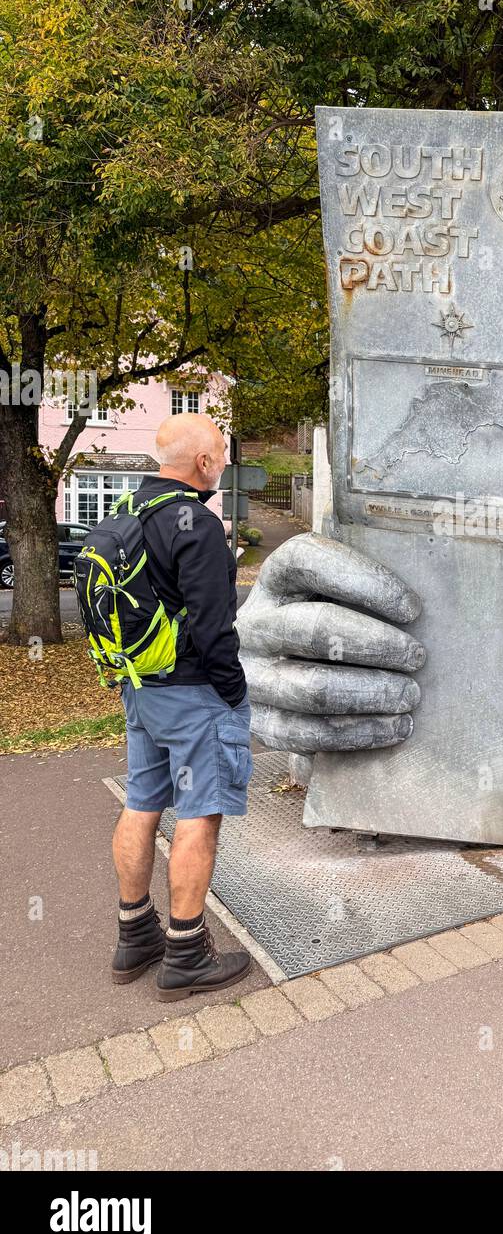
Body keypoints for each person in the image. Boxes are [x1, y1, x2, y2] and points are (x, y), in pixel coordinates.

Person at [110, 412, 254, 1002]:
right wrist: (234, 693)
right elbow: (215, 626)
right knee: (200, 812)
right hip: (195, 694)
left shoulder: (127, 512)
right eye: (220, 451)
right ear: (202, 462)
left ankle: (134, 934)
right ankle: (188, 952)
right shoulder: (197, 523)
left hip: (141, 690)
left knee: (142, 802)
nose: (223, 460)